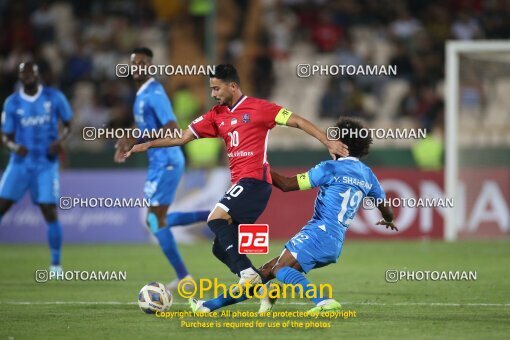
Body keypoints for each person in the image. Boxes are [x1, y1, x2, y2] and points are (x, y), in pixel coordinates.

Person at [124, 63, 349, 289]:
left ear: (232, 86)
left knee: (215, 218)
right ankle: (256, 282)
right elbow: (182, 137)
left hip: (256, 182)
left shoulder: (260, 108)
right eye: (211, 89)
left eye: (216, 89)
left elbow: (298, 121)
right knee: (219, 249)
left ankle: (247, 274)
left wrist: (327, 141)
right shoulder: (215, 115)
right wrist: (149, 143)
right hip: (243, 185)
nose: (213, 94)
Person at [189, 118, 397, 314]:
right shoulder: (367, 174)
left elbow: (288, 185)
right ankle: (208, 306)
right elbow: (386, 209)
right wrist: (388, 220)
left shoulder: (330, 168)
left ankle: (323, 301)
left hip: (319, 232)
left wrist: (260, 169)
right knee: (267, 271)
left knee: (279, 269)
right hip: (335, 241)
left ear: (342, 144)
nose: (329, 141)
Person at [114, 47, 209, 289]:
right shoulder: (141, 95)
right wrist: (128, 139)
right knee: (158, 220)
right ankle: (213, 216)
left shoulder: (155, 92)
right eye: (134, 62)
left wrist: (136, 140)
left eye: (143, 62)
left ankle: (184, 278)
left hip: (167, 160)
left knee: (155, 221)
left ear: (151, 65)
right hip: (159, 163)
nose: (138, 66)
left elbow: (171, 128)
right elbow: (144, 128)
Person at [0, 62, 72, 274]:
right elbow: (5, 135)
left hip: (45, 163)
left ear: (38, 74)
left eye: (31, 72)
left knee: (49, 211)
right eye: (24, 73)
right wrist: (14, 146)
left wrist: (60, 142)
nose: (28, 76)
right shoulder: (12, 103)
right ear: (20, 77)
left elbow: (69, 125)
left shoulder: (54, 97)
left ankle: (56, 265)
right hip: (20, 163)